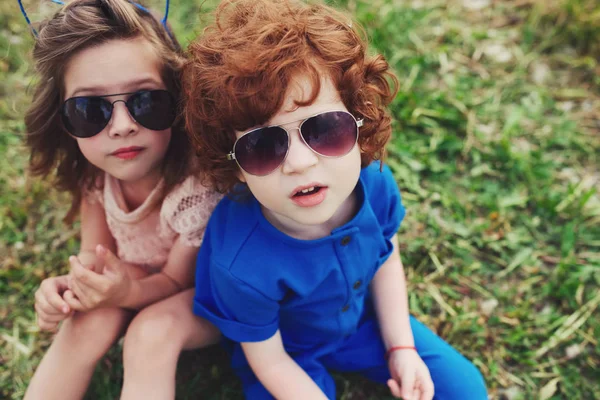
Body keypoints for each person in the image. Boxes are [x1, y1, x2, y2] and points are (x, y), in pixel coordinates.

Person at [183, 0, 489, 399]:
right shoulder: (238, 260)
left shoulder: (375, 184)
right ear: (236, 167)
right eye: (261, 146)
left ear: (359, 123)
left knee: (466, 390)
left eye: (325, 129)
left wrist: (401, 347)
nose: (298, 162)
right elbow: (269, 359)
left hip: (364, 323)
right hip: (285, 354)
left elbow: (386, 258)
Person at [20, 1, 221, 399]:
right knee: (85, 323)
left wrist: (124, 294)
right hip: (140, 283)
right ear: (62, 120)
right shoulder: (95, 174)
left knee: (149, 334)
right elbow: (95, 258)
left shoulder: (197, 187)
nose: (123, 126)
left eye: (146, 101)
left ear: (179, 100)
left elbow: (176, 281)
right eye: (89, 110)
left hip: (210, 300)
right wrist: (70, 286)